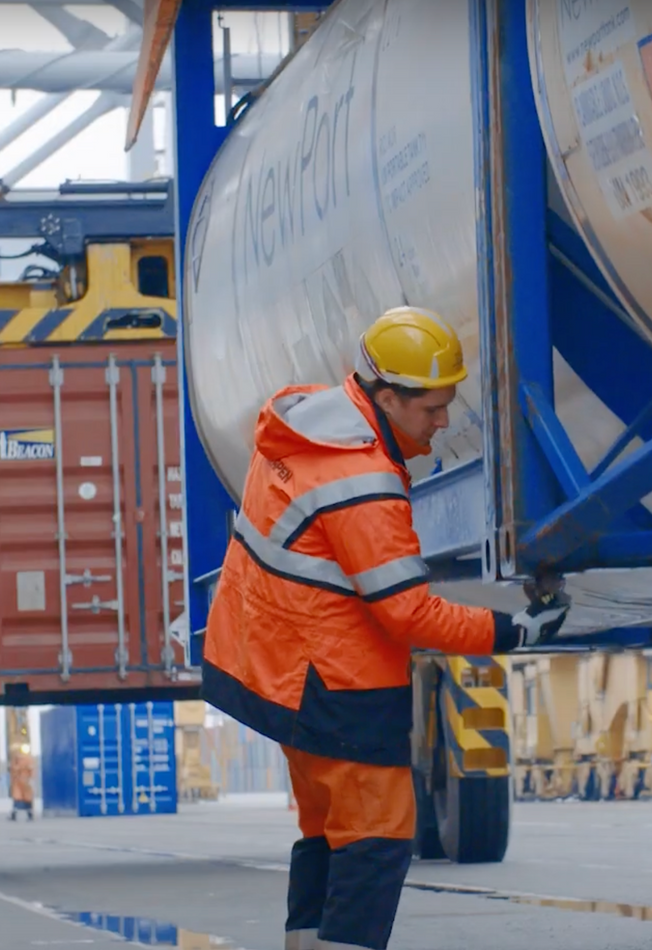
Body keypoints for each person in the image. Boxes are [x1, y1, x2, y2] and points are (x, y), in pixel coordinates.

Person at [200, 306, 571, 950]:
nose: (442, 421)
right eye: (431, 408)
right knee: (376, 843)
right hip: (339, 685)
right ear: (387, 396)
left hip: (286, 677)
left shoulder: (312, 430)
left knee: (327, 836)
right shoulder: (361, 479)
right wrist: (516, 631)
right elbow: (408, 612)